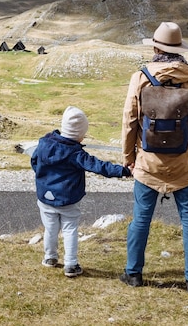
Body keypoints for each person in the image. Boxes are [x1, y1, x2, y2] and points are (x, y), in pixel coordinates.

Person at [119, 21, 188, 292]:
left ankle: (133, 273)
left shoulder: (140, 77)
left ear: (155, 47)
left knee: (141, 219)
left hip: (148, 165)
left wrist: (129, 156)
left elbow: (129, 122)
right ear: (179, 49)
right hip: (184, 165)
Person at [31, 105, 131, 277]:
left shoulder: (44, 143)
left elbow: (34, 162)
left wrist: (43, 178)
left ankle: (50, 258)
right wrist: (123, 171)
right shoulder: (76, 153)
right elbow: (98, 166)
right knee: (69, 229)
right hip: (67, 198)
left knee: (50, 228)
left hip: (45, 197)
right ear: (79, 134)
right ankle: (70, 265)